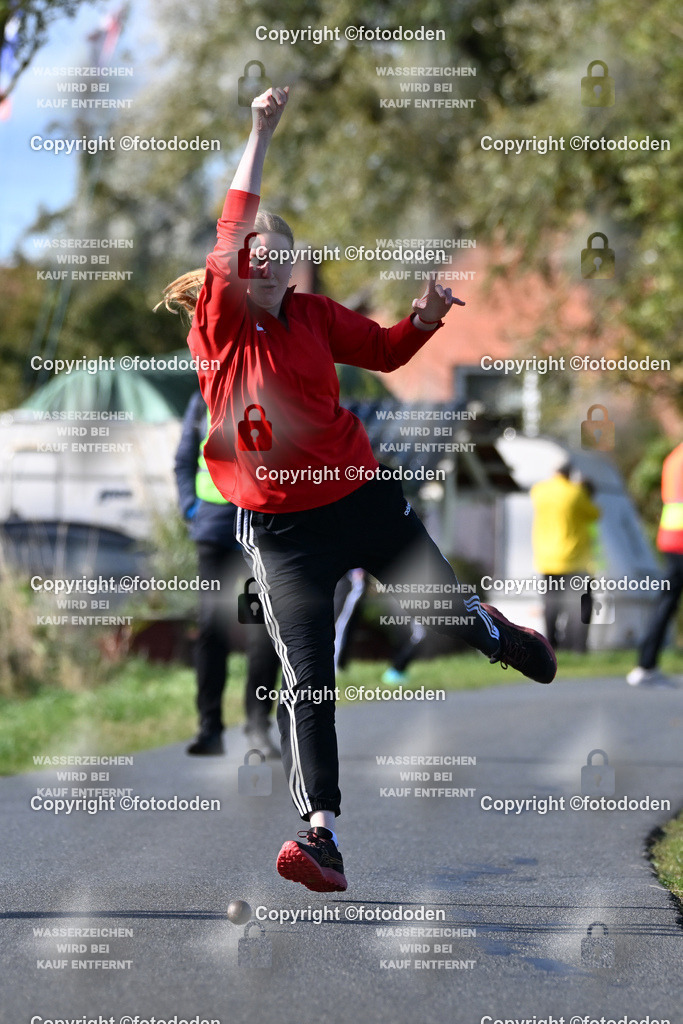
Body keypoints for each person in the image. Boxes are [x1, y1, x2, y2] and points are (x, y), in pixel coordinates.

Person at [159, 85, 556, 893]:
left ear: (292, 266)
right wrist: (260, 129)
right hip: (281, 536)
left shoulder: (312, 315)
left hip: (361, 499)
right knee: (310, 676)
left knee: (441, 611)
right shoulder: (221, 326)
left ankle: (495, 635)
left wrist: (425, 317)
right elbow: (234, 214)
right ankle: (320, 836)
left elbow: (383, 353)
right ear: (236, 268)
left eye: (277, 257)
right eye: (250, 258)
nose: (263, 266)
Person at [174, 389, 281, 757]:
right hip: (215, 534)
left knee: (263, 631)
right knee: (211, 628)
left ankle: (257, 728)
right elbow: (184, 459)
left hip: (259, 532)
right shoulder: (201, 397)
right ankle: (210, 730)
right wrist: (191, 508)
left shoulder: (274, 389)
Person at [627, 442, 683, 687]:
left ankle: (646, 664)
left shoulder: (674, 456)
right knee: (667, 601)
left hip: (670, 535)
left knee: (666, 601)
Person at [530, 463, 601, 653]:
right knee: (580, 604)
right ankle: (577, 647)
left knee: (551, 604)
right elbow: (594, 514)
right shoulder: (576, 493)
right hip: (573, 559)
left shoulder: (539, 491)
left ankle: (550, 645)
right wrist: (581, 487)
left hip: (547, 559)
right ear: (570, 474)